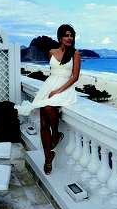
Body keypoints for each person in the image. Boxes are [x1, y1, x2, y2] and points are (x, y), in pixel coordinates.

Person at [16, 24, 81, 174]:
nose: (69, 38)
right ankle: (48, 158)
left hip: (65, 88)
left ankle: (56, 133)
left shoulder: (75, 54)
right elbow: (53, 73)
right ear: (60, 37)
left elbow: (75, 77)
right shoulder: (51, 52)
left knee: (47, 108)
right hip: (48, 86)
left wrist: (58, 90)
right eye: (66, 35)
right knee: (43, 123)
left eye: (71, 35)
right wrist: (50, 89)